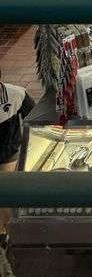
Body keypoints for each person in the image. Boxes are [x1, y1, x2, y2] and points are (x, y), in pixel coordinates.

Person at [0, 68, 35, 261]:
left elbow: (36, 117)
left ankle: (5, 234)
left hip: (9, 156)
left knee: (3, 189)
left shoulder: (16, 94)